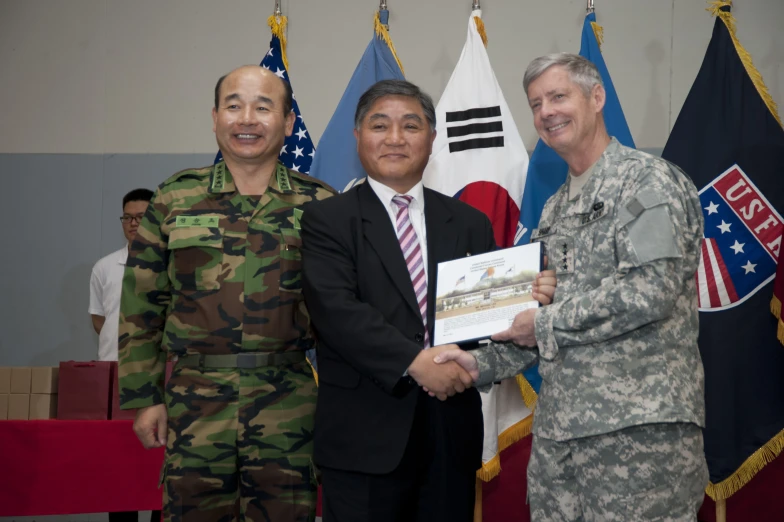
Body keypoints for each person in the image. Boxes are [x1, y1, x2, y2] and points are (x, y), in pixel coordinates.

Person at [437, 53, 708, 521]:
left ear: (596, 97)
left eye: (559, 96)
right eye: (536, 103)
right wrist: (475, 363)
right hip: (561, 435)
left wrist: (544, 320)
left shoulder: (645, 183)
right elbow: (542, 327)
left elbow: (652, 290)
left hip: (638, 434)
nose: (546, 112)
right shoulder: (556, 207)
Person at [300, 78, 533, 522]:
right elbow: (336, 311)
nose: (394, 138)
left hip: (451, 433)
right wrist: (415, 361)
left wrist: (526, 301)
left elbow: (488, 316)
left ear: (431, 138)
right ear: (358, 137)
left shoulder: (469, 222)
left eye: (410, 125)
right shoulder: (327, 219)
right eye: (379, 125)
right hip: (363, 437)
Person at [118, 65, 335, 522]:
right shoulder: (175, 199)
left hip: (289, 402)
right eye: (233, 106)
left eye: (263, 107)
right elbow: (141, 307)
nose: (247, 119)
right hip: (194, 401)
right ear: (215, 117)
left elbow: (342, 311)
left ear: (289, 122)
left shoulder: (320, 206)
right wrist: (144, 397)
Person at [89, 188, 161, 522]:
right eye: (127, 217)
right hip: (113, 376)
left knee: (157, 461)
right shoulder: (104, 267)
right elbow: (98, 318)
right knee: (118, 465)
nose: (133, 224)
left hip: (157, 376)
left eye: (141, 216)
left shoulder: (169, 264)